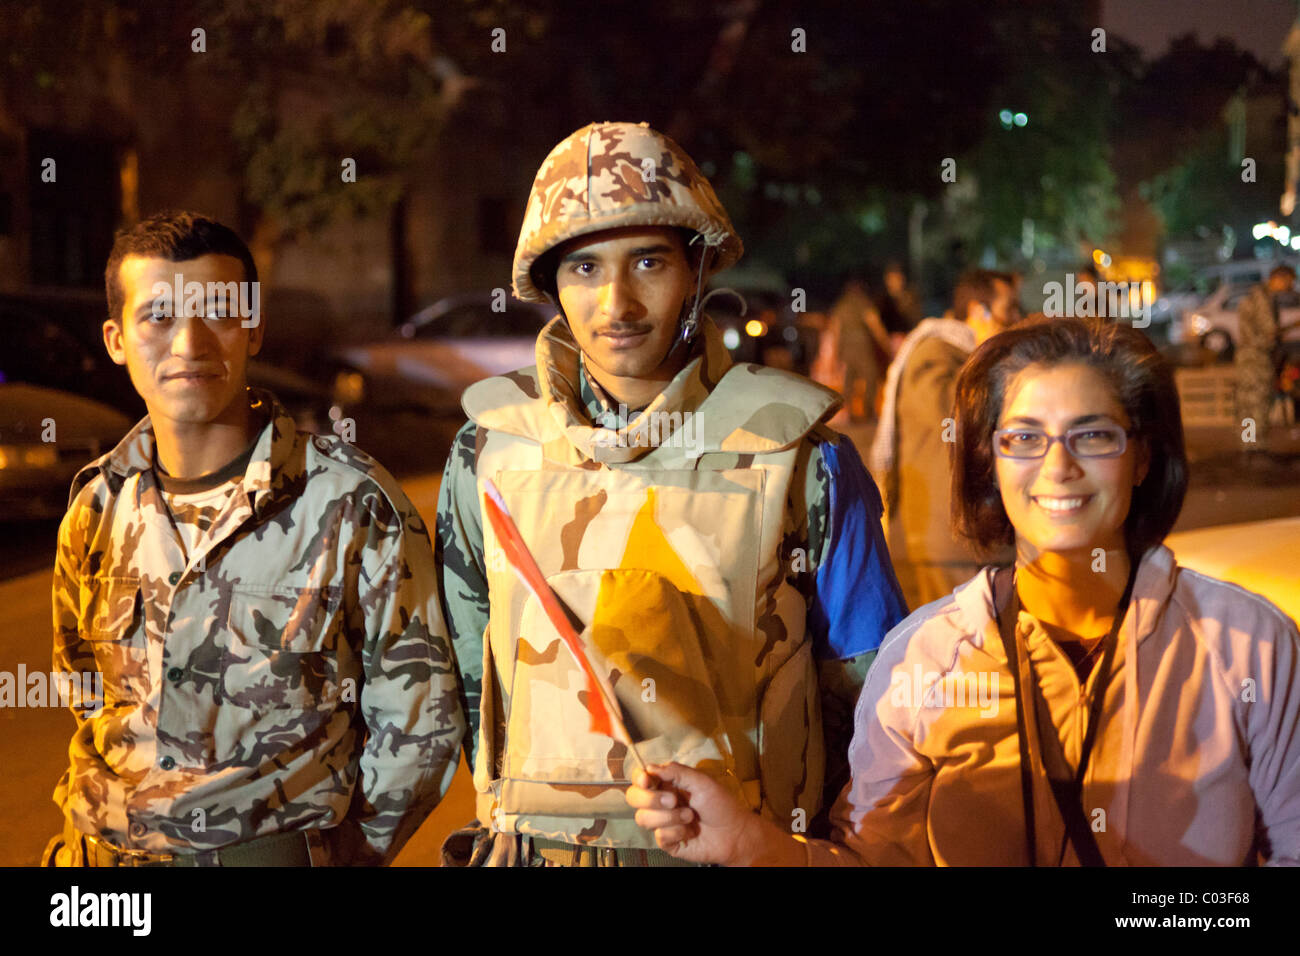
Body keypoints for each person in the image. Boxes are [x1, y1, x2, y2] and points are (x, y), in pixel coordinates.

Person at [628, 316, 1300, 866]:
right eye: (1024, 438)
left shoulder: (1250, 646)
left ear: (1142, 455)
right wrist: (751, 844)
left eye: (1092, 435)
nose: (1058, 468)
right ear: (991, 461)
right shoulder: (923, 658)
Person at [435, 121, 908, 867]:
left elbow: (880, 709)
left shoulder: (805, 459)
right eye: (584, 268)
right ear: (552, 284)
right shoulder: (489, 452)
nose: (615, 303)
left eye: (648, 261)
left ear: (696, 271)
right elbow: (470, 681)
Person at [43, 211, 464, 867]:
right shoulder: (98, 504)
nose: (188, 342)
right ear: (116, 339)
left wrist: (336, 855)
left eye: (216, 310)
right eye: (157, 316)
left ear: (254, 327)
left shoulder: (349, 502)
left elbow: (421, 718)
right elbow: (87, 696)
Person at [870, 268, 1019, 610]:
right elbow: (959, 416)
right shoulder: (935, 353)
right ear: (978, 312)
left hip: (968, 538)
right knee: (960, 653)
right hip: (949, 542)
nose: (1016, 319)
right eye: (1008, 310)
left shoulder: (965, 356)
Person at [1235, 263, 1294, 449]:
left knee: (1250, 405)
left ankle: (1250, 446)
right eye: (1289, 282)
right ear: (1280, 278)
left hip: (1252, 359)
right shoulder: (1262, 299)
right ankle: (1252, 447)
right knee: (1254, 405)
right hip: (1255, 360)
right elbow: (1268, 333)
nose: (1290, 287)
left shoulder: (1259, 297)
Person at [824, 277, 890, 422]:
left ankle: (849, 413)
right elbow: (874, 323)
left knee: (849, 379)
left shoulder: (840, 305)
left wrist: (835, 352)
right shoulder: (863, 302)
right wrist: (886, 343)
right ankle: (868, 410)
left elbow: (835, 329)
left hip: (846, 346)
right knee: (871, 375)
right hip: (861, 344)